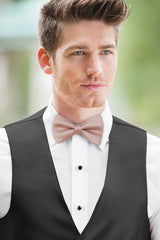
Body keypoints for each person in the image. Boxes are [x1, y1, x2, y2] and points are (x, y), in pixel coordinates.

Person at [0, 0, 160, 239]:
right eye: (78, 53)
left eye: (106, 51)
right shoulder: (3, 152)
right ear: (46, 61)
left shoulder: (154, 157)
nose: (95, 68)